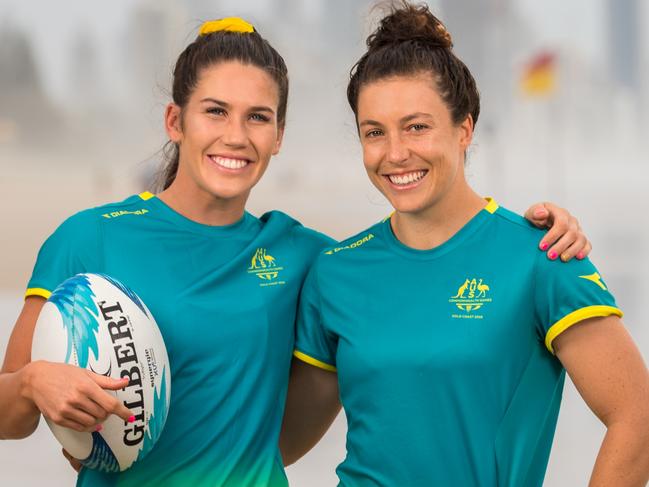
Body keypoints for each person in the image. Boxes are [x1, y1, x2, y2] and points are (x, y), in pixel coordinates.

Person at [1, 15, 589, 487]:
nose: (236, 136)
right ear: (175, 121)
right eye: (215, 112)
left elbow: (417, 262)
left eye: (258, 117)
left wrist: (537, 232)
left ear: (278, 136)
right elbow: (9, 418)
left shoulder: (305, 256)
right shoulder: (90, 237)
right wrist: (31, 385)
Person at [282, 3, 649, 487]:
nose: (395, 154)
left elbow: (638, 418)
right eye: (375, 132)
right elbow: (280, 443)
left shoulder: (542, 258)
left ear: (464, 128)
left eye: (417, 126)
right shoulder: (334, 272)